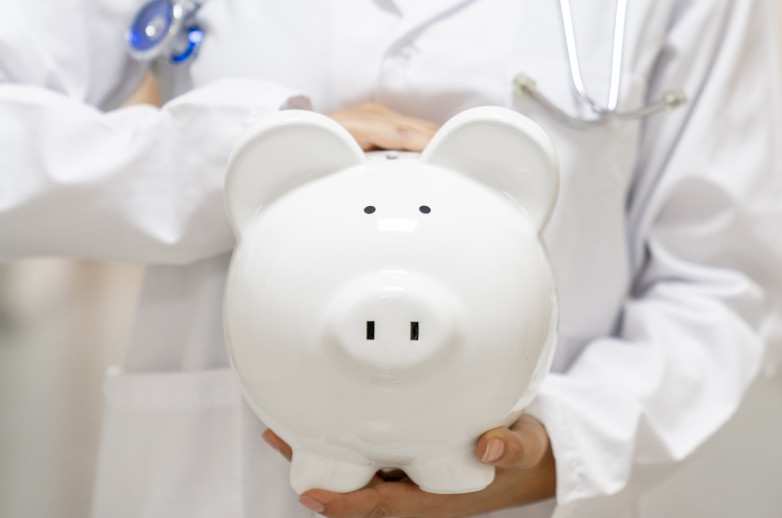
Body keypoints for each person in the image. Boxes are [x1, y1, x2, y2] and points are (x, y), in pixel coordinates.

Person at [1, 1, 781, 517]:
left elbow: (724, 281)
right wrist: (216, 163)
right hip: (216, 481)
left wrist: (564, 446)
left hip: (507, 489)